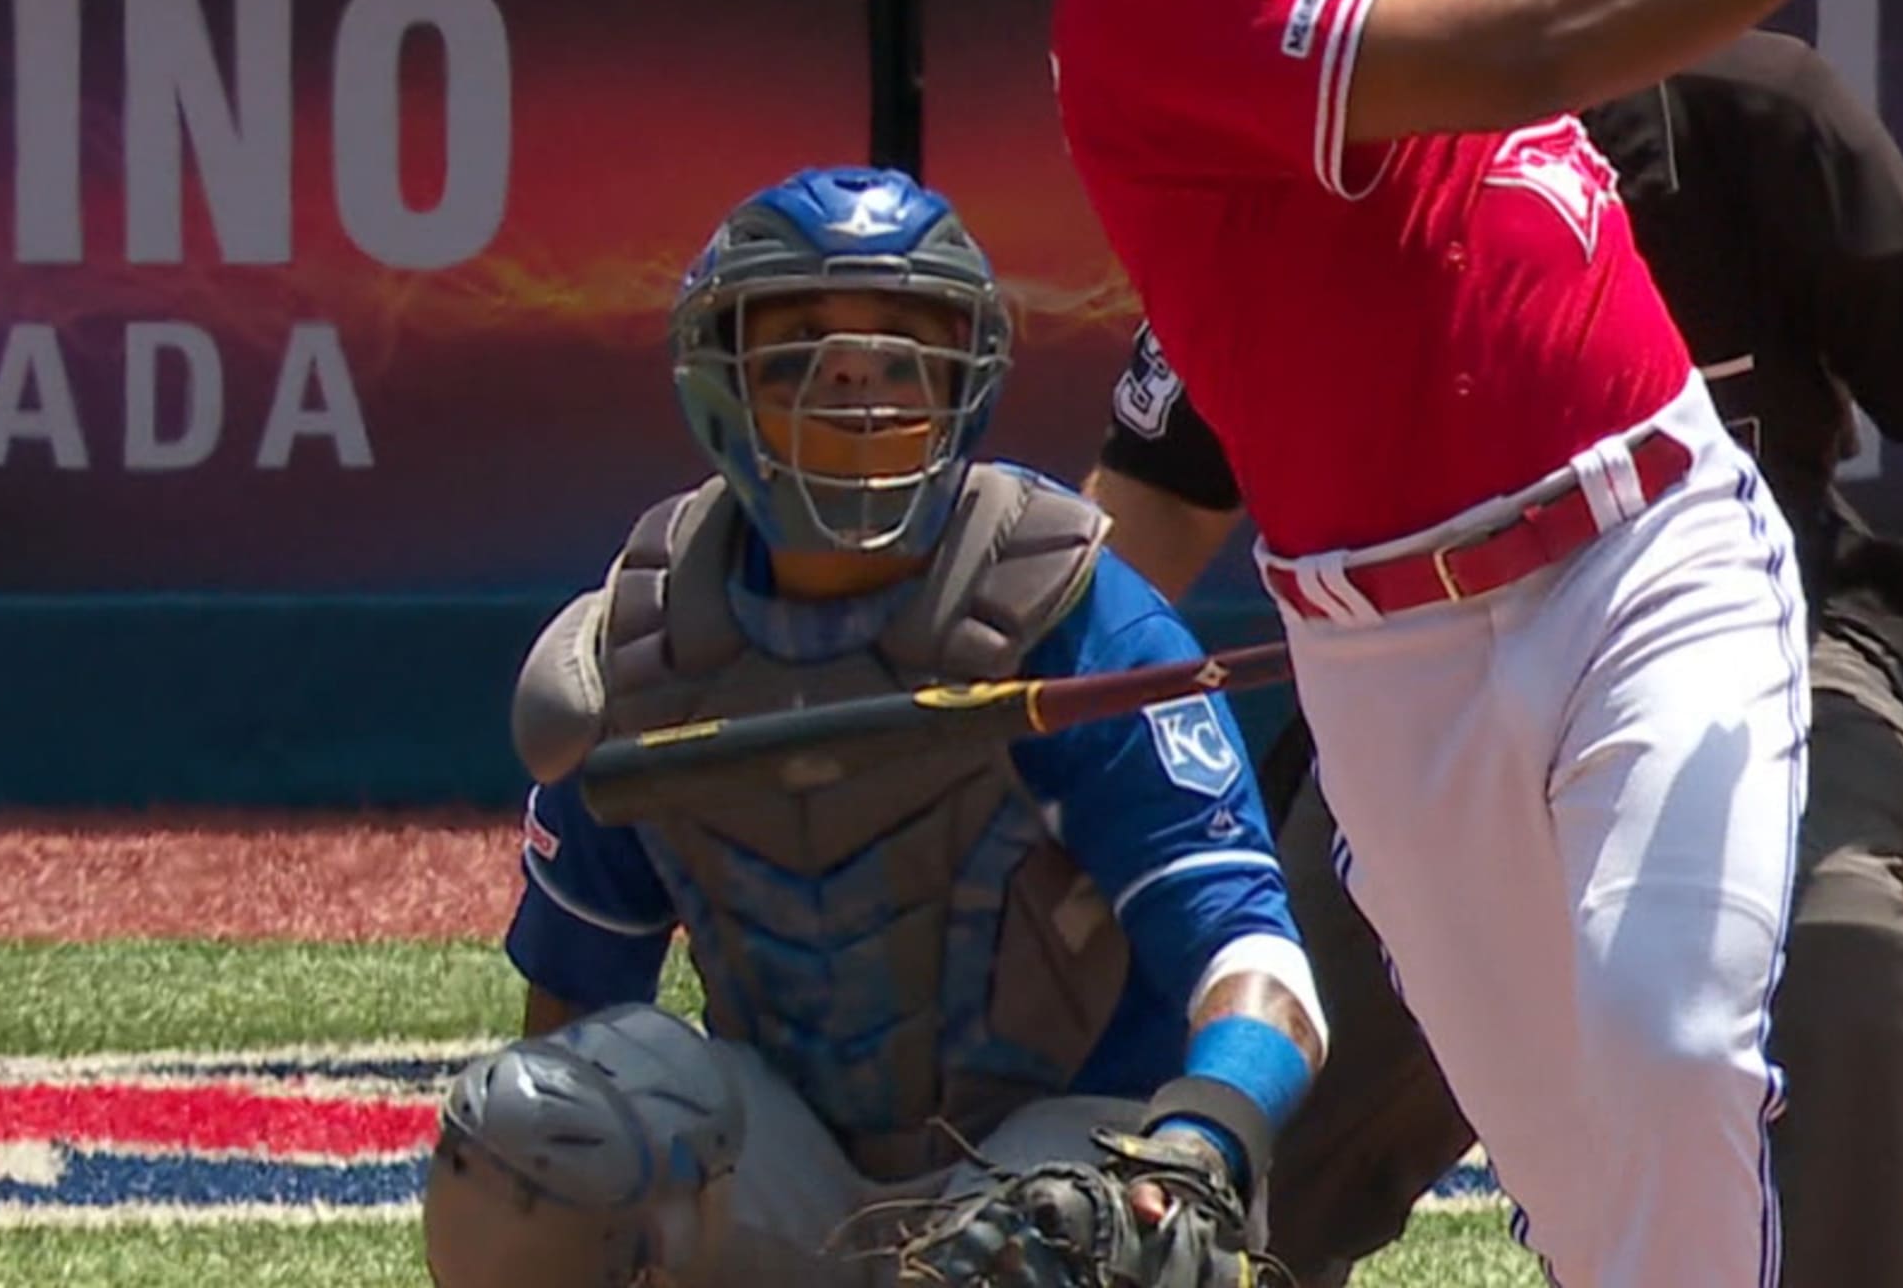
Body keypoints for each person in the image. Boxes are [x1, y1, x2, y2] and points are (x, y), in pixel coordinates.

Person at [1012, 0, 1903, 1283]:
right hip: (1388, 665)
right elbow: (1145, 503)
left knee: (1676, 1050)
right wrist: (1053, 749)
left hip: (1651, 554)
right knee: (1598, 1194)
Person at [419, 166, 1328, 1288]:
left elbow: (1253, 957)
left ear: (967, 377)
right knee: (531, 1144)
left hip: (1065, 1154)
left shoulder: (1073, 614)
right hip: (790, 1161)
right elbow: (572, 1020)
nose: (856, 376)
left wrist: (1202, 1145)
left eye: (906, 341)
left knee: (1088, 1242)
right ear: (723, 373)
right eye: (801, 339)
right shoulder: (649, 639)